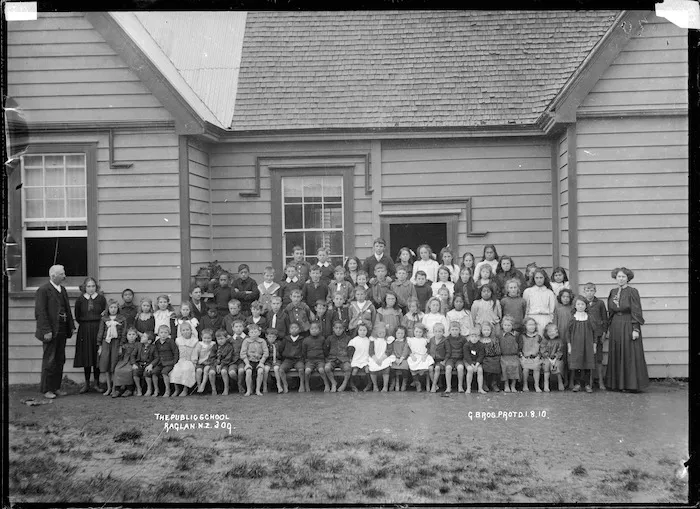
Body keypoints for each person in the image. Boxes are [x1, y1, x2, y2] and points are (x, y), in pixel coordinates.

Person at [35, 265, 76, 399]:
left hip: (62, 330)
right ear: (53, 276)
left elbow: (68, 310)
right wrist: (46, 330)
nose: (65, 276)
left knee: (60, 359)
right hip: (50, 331)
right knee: (50, 360)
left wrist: (71, 326)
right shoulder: (43, 290)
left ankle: (56, 387)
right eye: (62, 274)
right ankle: (47, 389)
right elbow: (40, 312)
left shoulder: (62, 289)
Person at [605, 268, 648, 392]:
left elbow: (636, 311)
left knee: (629, 353)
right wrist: (608, 327)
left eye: (623, 277)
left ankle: (631, 385)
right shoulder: (613, 291)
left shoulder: (632, 291)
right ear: (615, 278)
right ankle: (617, 384)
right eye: (619, 276)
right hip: (616, 325)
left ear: (628, 278)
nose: (621, 279)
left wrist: (636, 329)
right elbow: (611, 312)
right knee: (617, 352)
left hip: (628, 323)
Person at [73, 276, 106, 394]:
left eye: (93, 286)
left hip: (98, 328)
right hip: (85, 329)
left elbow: (104, 313)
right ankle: (87, 383)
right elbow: (77, 315)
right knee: (86, 355)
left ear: (96, 287)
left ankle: (96, 383)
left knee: (96, 355)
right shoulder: (80, 300)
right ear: (84, 288)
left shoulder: (101, 299)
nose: (91, 289)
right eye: (88, 286)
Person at [96, 299, 126, 396]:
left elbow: (124, 333)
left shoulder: (122, 319)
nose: (113, 310)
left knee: (114, 364)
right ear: (108, 309)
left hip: (116, 343)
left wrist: (121, 345)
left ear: (118, 308)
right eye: (111, 307)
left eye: (115, 307)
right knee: (106, 364)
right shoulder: (104, 319)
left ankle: (114, 388)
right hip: (106, 343)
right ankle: (108, 388)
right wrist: (100, 346)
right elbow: (101, 332)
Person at [569, 295, 597, 393]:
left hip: (588, 345)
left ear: (586, 306)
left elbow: (594, 332)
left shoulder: (589, 318)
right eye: (578, 304)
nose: (580, 306)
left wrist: (594, 345)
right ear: (575, 306)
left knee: (587, 364)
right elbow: (568, 333)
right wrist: (569, 346)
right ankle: (577, 384)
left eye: (582, 304)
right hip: (576, 345)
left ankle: (587, 384)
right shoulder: (573, 318)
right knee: (577, 365)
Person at [583, 282, 608, 391]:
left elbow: (605, 319)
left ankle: (601, 381)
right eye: (587, 290)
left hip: (597, 334)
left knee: (598, 358)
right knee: (588, 358)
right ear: (584, 292)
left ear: (595, 291)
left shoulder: (600, 303)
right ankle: (589, 382)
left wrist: (604, 333)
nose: (589, 293)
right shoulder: (582, 303)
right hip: (586, 335)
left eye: (592, 290)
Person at [170, 322, 200, 397]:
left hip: (190, 360)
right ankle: (177, 389)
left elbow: (195, 352)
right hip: (181, 360)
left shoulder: (195, 341)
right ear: (181, 332)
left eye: (187, 330)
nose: (186, 332)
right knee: (176, 370)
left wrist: (194, 361)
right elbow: (176, 352)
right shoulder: (178, 340)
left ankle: (185, 389)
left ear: (191, 330)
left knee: (186, 370)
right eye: (183, 330)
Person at [523, 268, 555, 336]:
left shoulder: (549, 292)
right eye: (536, 278)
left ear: (544, 278)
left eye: (541, 277)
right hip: (532, 317)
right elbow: (526, 308)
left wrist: (550, 321)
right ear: (533, 279)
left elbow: (552, 310)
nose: (539, 280)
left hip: (545, 318)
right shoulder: (528, 291)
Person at [240, 323, 270, 396]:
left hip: (259, 361)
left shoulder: (262, 341)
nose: (254, 334)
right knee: (248, 371)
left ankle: (258, 390)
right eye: (252, 332)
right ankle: (248, 390)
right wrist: (247, 363)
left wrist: (261, 362)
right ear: (249, 333)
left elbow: (266, 353)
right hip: (249, 361)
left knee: (260, 371)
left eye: (255, 332)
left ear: (259, 333)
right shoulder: (246, 341)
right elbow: (243, 354)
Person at [150, 325, 179, 397]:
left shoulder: (170, 342)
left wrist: (175, 362)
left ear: (168, 334)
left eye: (165, 332)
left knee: (164, 372)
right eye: (161, 332)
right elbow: (155, 354)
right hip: (160, 362)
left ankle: (167, 390)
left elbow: (175, 352)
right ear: (158, 334)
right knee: (154, 372)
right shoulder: (157, 342)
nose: (163, 334)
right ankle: (156, 389)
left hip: (169, 362)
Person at [324, 320, 353, 392]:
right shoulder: (329, 338)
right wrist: (328, 358)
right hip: (332, 359)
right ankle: (333, 382)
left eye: (340, 328)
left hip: (344, 359)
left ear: (343, 329)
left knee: (348, 368)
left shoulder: (348, 338)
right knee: (327, 368)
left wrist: (349, 358)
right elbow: (326, 349)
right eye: (336, 328)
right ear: (333, 329)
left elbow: (350, 350)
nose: (338, 330)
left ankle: (344, 383)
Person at [277, 322, 305, 393]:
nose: (294, 329)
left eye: (296, 328)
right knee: (281, 370)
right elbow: (281, 349)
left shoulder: (302, 339)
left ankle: (302, 385)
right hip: (288, 360)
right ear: (289, 330)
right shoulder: (286, 339)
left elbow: (304, 350)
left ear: (299, 330)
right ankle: (285, 385)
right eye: (292, 328)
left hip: (299, 360)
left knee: (301, 369)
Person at [112, 327, 140, 398]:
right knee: (117, 369)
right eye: (129, 334)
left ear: (136, 336)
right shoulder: (124, 345)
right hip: (124, 361)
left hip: (134, 361)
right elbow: (121, 355)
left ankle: (129, 389)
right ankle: (117, 389)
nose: (131, 336)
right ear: (126, 336)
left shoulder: (138, 345)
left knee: (128, 370)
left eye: (133, 334)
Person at [302, 321, 330, 392]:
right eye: (312, 329)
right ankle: (307, 384)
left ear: (319, 330)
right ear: (309, 330)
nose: (314, 330)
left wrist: (324, 358)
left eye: (316, 328)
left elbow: (325, 350)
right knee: (307, 371)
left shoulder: (322, 339)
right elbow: (304, 352)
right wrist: (306, 360)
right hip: (310, 360)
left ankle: (326, 384)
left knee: (321, 370)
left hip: (320, 360)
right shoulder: (306, 340)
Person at [368, 323, 395, 392]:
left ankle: (385, 386)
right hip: (375, 357)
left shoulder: (388, 339)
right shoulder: (373, 339)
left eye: (383, 332)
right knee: (372, 366)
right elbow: (371, 351)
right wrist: (376, 359)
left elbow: (389, 350)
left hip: (384, 357)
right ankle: (375, 385)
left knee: (386, 367)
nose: (381, 334)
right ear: (376, 332)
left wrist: (382, 359)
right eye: (379, 332)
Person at [407, 323, 433, 392]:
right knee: (412, 364)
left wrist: (425, 355)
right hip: (414, 355)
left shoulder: (425, 340)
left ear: (423, 332)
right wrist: (411, 355)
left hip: (423, 355)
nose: (418, 333)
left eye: (420, 332)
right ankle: (416, 382)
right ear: (413, 331)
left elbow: (429, 349)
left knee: (425, 363)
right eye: (416, 332)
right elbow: (408, 349)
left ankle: (422, 376)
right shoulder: (410, 340)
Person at [499, 315, 522, 393]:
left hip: (514, 355)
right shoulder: (500, 335)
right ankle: (506, 384)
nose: (507, 327)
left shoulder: (516, 334)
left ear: (512, 326)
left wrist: (519, 353)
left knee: (516, 365)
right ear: (502, 325)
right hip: (503, 356)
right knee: (504, 366)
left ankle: (513, 385)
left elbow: (520, 344)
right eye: (505, 325)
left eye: (509, 325)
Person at [348, 323, 372, 392]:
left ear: (367, 331)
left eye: (364, 330)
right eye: (360, 330)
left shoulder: (368, 340)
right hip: (357, 359)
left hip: (365, 359)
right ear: (357, 331)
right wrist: (350, 359)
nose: (362, 332)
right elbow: (350, 351)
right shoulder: (354, 340)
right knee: (355, 370)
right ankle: (352, 384)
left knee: (367, 369)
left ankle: (369, 384)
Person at [540, 323, 564, 392]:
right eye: (550, 332)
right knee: (546, 365)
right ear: (546, 332)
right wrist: (548, 358)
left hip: (556, 358)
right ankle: (546, 383)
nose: (552, 333)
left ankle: (560, 381)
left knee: (558, 365)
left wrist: (556, 358)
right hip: (546, 358)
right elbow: (543, 350)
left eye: (554, 331)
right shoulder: (544, 341)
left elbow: (560, 351)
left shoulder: (559, 341)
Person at [520, 317, 542, 392]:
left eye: (533, 325)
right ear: (525, 326)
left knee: (536, 367)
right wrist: (522, 356)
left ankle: (536, 385)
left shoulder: (538, 337)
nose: (532, 326)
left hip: (535, 357)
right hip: (525, 357)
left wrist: (538, 356)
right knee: (525, 369)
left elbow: (541, 348)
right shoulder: (522, 337)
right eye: (529, 325)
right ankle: (525, 384)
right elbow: (519, 349)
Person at [444, 322, 466, 393]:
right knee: (448, 368)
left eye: (456, 329)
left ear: (460, 330)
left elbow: (465, 350)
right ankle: (448, 387)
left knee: (460, 368)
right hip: (450, 358)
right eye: (452, 329)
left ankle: (460, 386)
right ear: (449, 331)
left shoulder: (463, 339)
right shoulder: (447, 339)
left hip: (459, 359)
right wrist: (445, 361)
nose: (454, 331)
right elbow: (448, 351)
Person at [480, 322, 501, 393]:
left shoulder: (494, 340)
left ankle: (493, 383)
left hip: (493, 357)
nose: (486, 332)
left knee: (495, 365)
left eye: (488, 330)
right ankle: (484, 383)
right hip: (483, 358)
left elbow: (497, 350)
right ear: (481, 331)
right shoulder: (480, 340)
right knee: (485, 366)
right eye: (484, 330)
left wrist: (495, 355)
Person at [388, 325, 410, 392]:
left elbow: (405, 351)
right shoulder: (393, 341)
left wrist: (401, 359)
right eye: (398, 333)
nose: (400, 335)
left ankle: (404, 382)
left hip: (403, 359)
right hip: (395, 358)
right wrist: (395, 359)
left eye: (402, 333)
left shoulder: (405, 342)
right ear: (395, 333)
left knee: (405, 368)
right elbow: (392, 351)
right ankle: (393, 382)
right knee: (391, 369)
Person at [195, 328, 216, 394]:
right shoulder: (199, 344)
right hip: (201, 361)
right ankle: (199, 385)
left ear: (212, 337)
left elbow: (214, 354)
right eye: (205, 338)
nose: (206, 340)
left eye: (209, 338)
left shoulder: (213, 344)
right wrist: (196, 361)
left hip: (210, 362)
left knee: (206, 369)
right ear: (201, 337)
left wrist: (210, 361)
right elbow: (196, 353)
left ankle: (203, 384)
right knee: (199, 371)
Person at [428, 323, 447, 393]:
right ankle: (435, 384)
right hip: (432, 359)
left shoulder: (445, 340)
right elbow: (428, 348)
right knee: (430, 368)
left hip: (441, 360)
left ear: (443, 332)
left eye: (440, 331)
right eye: (436, 331)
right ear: (433, 332)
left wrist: (445, 360)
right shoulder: (432, 339)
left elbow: (448, 351)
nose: (438, 333)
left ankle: (433, 386)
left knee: (437, 368)